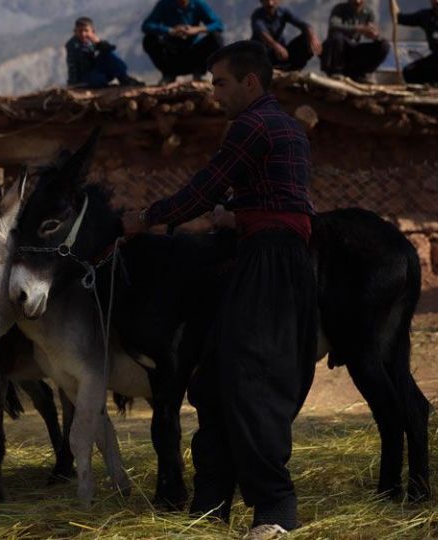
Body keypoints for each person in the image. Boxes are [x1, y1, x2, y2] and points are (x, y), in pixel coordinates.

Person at [122, 40, 318, 540]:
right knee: (212, 381)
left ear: (250, 82)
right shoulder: (289, 128)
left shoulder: (250, 125)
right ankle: (211, 502)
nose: (215, 93)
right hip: (271, 256)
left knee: (252, 380)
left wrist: (144, 219)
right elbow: (279, 200)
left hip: (268, 261)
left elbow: (203, 190)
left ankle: (274, 510)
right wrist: (238, 214)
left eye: (221, 83)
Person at [141, 0, 225, 84]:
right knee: (149, 40)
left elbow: (218, 24)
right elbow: (147, 25)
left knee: (216, 38)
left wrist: (197, 29)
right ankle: (168, 74)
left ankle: (200, 73)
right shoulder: (164, 4)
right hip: (172, 55)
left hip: (194, 55)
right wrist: (170, 30)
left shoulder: (198, 3)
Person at [320, 0, 390, 82]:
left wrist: (374, 35)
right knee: (337, 36)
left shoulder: (368, 12)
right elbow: (334, 26)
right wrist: (358, 28)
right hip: (337, 50)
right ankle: (336, 72)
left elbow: (371, 30)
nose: (357, 2)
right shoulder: (340, 9)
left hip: (354, 49)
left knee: (384, 45)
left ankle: (363, 73)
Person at [66, 17, 143, 88]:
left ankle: (123, 78)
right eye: (80, 31)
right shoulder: (73, 45)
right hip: (83, 78)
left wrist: (99, 43)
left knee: (108, 54)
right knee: (98, 80)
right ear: (75, 32)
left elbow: (110, 49)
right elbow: (77, 67)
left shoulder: (91, 41)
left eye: (86, 30)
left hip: (94, 71)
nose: (83, 34)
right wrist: (75, 84)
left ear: (92, 32)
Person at [250, 0, 322, 72]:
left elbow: (303, 24)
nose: (270, 3)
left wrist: (312, 36)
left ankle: (294, 69)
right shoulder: (257, 16)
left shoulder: (283, 12)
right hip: (265, 56)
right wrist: (275, 46)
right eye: (266, 0)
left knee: (306, 39)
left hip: (282, 55)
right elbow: (262, 33)